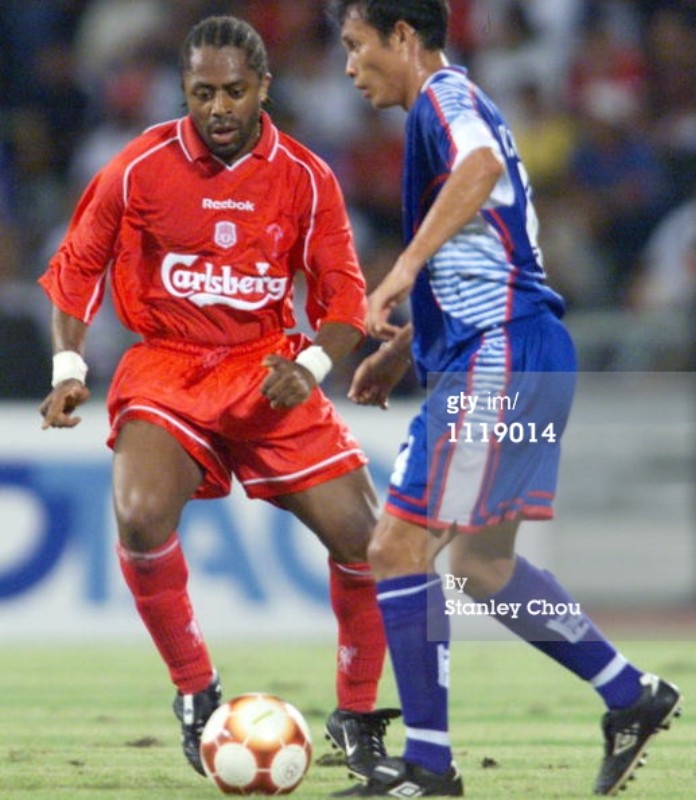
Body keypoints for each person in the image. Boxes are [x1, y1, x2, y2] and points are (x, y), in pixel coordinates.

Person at [329, 1, 682, 796]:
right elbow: (486, 247)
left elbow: (482, 168)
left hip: (500, 356)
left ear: (403, 37)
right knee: (484, 567)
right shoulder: (449, 106)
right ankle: (631, 694)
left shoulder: (445, 98)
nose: (349, 67)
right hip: (522, 353)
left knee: (396, 548)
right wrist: (405, 346)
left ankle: (428, 766)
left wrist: (401, 270)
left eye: (356, 46)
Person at [38, 13, 399, 781]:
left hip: (267, 370)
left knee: (365, 544)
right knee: (139, 515)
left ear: (263, 86)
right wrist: (69, 366)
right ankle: (196, 691)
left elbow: (343, 298)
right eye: (203, 93)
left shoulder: (305, 176)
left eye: (234, 91)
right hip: (168, 367)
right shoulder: (139, 164)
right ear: (185, 89)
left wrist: (313, 364)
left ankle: (357, 716)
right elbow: (78, 265)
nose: (219, 108)